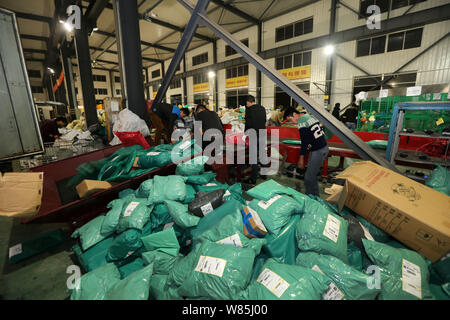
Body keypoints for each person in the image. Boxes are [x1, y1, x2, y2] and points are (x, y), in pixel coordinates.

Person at [283, 107, 328, 196]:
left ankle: (310, 199)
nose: (291, 123)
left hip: (318, 150)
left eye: (290, 120)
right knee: (312, 175)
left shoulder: (301, 121)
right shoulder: (309, 117)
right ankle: (315, 197)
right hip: (323, 147)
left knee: (308, 177)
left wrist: (301, 158)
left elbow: (304, 141)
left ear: (295, 114)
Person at [244, 95, 267, 185]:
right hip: (262, 132)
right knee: (262, 153)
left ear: (248, 102)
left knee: (253, 156)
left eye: (246, 104)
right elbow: (264, 120)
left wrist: (245, 133)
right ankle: (264, 174)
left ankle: (253, 178)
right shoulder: (262, 108)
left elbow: (248, 123)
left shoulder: (249, 109)